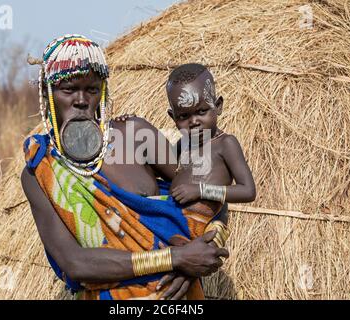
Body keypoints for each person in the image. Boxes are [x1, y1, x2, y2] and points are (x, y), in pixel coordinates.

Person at [21, 34, 229, 300]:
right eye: (69, 90)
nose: (81, 100)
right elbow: (74, 263)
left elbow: (209, 197)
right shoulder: (41, 169)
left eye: (92, 89)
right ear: (47, 93)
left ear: (103, 92)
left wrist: (204, 248)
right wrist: (176, 258)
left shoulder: (135, 134)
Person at [166, 63, 256, 249]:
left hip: (203, 229)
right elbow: (166, 172)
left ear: (218, 106)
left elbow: (248, 191)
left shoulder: (225, 144)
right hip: (174, 225)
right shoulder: (182, 144)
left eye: (201, 111)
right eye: (183, 116)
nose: (194, 122)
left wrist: (201, 190)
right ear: (173, 117)